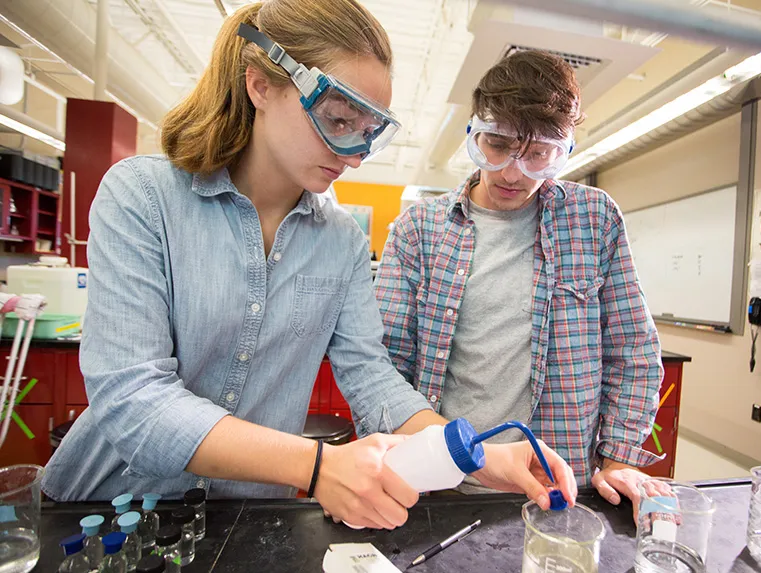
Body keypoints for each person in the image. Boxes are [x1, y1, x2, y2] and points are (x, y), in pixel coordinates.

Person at [42, 0, 576, 529]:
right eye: (339, 118)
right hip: (100, 513)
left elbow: (371, 377)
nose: (353, 152)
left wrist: (479, 455)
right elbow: (134, 399)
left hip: (244, 519)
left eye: (368, 130)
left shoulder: (341, 240)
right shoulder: (143, 196)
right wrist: (318, 466)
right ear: (261, 86)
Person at [374, 50, 663, 510]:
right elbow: (385, 365)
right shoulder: (419, 231)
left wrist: (618, 458)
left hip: (561, 483)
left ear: (563, 152)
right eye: (498, 146)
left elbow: (634, 349)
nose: (512, 173)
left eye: (537, 155)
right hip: (445, 485)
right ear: (475, 133)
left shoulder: (595, 219)